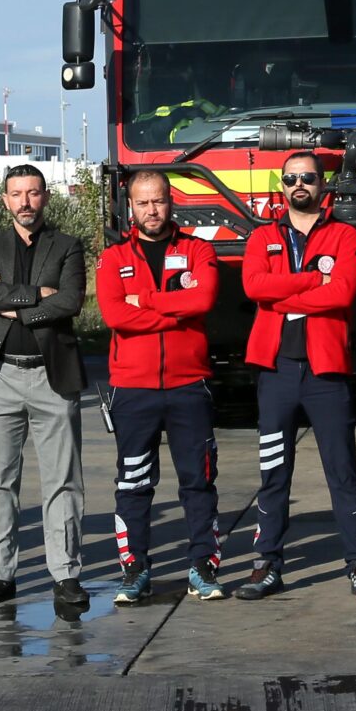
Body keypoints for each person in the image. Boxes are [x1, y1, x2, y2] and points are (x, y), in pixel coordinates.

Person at [235, 149, 356, 601]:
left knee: (343, 472)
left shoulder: (345, 235)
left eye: (308, 178)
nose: (299, 184)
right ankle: (266, 565)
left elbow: (342, 294)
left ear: (323, 185)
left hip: (325, 373)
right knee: (274, 473)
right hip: (276, 372)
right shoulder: (263, 237)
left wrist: (283, 294)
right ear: (282, 186)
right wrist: (309, 282)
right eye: (291, 178)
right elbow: (253, 287)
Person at [0, 164, 89, 617]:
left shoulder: (69, 245)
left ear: (45, 198)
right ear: (6, 199)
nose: (25, 202)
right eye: (16, 194)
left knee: (62, 480)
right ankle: (0, 574)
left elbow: (70, 301)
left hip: (51, 374)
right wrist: (38, 297)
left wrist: (15, 304)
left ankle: (66, 575)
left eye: (33, 193)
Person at [96, 170, 223, 605]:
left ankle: (203, 566)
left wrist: (145, 302)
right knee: (133, 484)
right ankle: (135, 570)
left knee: (199, 482)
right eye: (143, 203)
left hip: (190, 384)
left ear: (172, 202)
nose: (152, 210)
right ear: (131, 207)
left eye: (159, 201)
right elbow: (114, 316)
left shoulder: (198, 249)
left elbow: (203, 301)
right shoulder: (113, 258)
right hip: (133, 388)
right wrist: (174, 310)